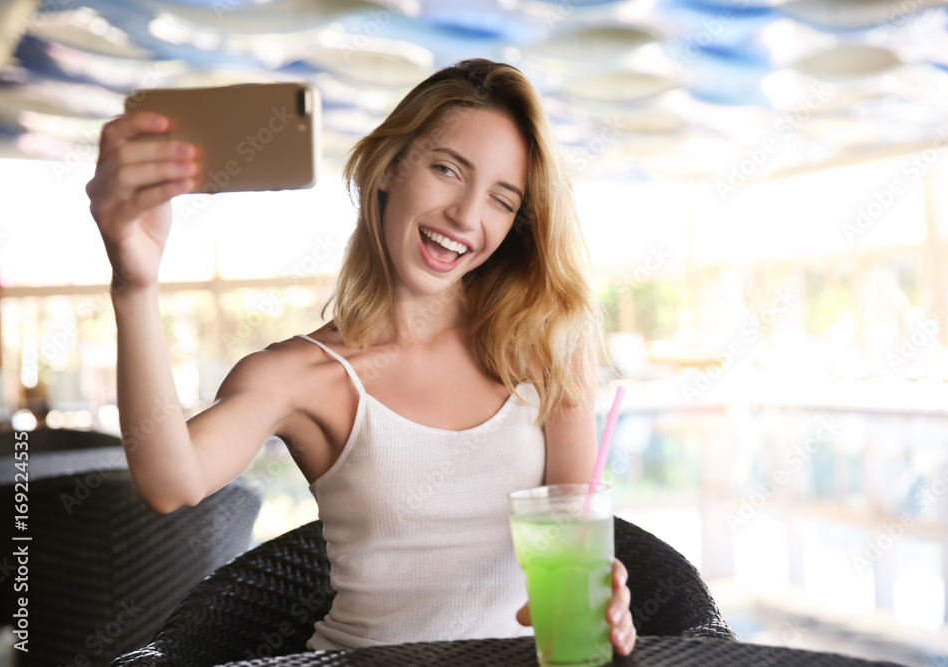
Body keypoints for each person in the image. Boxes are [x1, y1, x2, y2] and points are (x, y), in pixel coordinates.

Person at [86, 58, 636, 655]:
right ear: (389, 168)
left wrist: (603, 607)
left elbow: (574, 567)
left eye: (503, 200)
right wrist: (134, 286)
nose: (467, 216)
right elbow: (172, 482)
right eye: (448, 169)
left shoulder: (547, 353)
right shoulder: (302, 376)